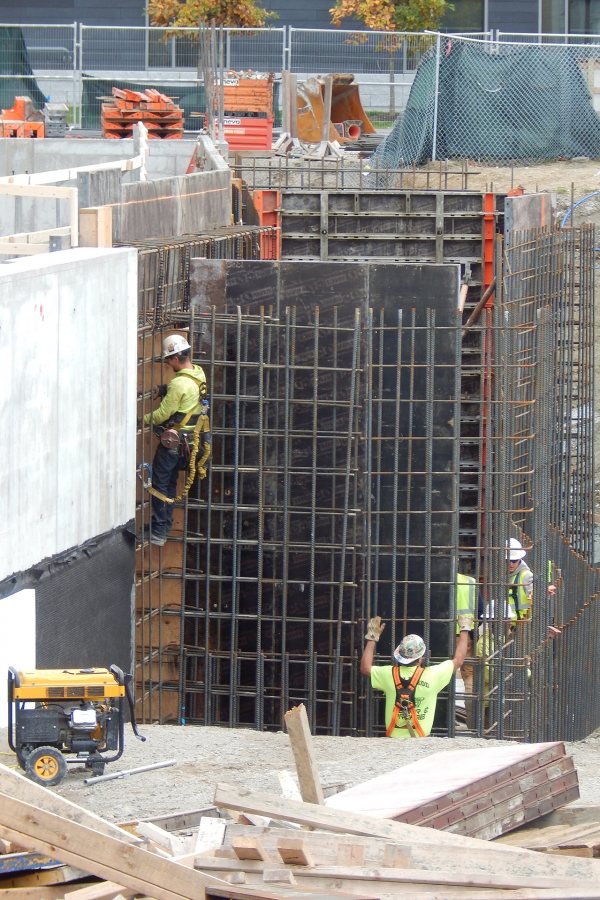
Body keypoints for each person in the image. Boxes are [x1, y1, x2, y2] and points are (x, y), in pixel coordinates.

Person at [142, 334, 208, 546]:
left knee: (160, 485)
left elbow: (162, 415)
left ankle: (159, 531)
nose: (168, 364)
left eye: (169, 359)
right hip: (191, 444)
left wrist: (140, 420)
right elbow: (188, 396)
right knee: (168, 484)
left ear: (177, 357)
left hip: (174, 444)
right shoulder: (199, 374)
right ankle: (163, 525)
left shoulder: (179, 384)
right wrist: (164, 390)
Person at [360, 616, 470, 738]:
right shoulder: (433, 675)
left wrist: (372, 638)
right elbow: (459, 660)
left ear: (399, 655)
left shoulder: (388, 674)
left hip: (392, 740)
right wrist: (464, 629)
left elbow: (365, 668)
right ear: (421, 657)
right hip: (421, 740)